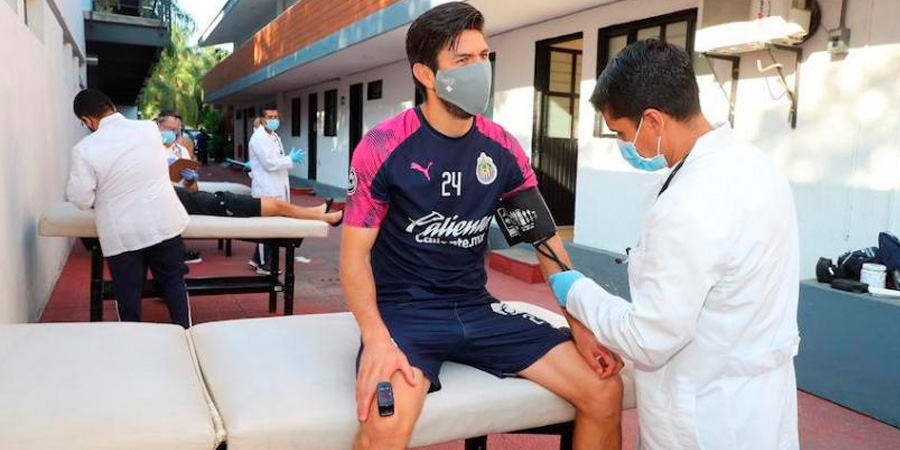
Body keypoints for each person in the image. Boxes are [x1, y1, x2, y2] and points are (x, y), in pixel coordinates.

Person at [342, 4, 622, 450]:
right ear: (426, 74)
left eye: (484, 57)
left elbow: (545, 245)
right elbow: (354, 255)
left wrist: (581, 328)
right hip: (405, 314)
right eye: (463, 60)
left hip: (476, 308)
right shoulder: (382, 145)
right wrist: (375, 338)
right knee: (384, 427)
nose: (480, 69)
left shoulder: (502, 148)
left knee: (603, 389)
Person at [548, 39, 800, 450]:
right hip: (756, 405)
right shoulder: (756, 166)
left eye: (621, 133)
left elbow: (649, 339)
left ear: (652, 120)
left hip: (703, 419)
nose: (625, 146)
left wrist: (577, 292)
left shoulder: (690, 203)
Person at [67, 89, 192, 328]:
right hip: (164, 222)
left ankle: (133, 343)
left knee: (128, 296)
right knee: (174, 284)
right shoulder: (149, 129)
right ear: (112, 107)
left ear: (87, 120)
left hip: (124, 233)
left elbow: (81, 199)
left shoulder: (84, 149)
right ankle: (186, 334)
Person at [247, 106, 305, 275]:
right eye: (270, 117)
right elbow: (269, 163)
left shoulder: (274, 136)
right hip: (266, 189)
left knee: (273, 225)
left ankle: (257, 259)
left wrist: (289, 159)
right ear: (262, 119)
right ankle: (264, 264)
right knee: (267, 227)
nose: (274, 120)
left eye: (276, 117)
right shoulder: (259, 138)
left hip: (277, 186)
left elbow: (277, 160)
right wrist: (289, 159)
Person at [157, 111, 203, 265]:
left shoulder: (181, 151)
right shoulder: (149, 149)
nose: (172, 133)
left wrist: (190, 178)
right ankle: (175, 254)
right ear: (158, 125)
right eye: (168, 129)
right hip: (158, 196)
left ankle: (176, 253)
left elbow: (192, 187)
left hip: (180, 197)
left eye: (175, 130)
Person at [172, 186, 342, 225]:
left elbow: (193, 189)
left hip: (222, 200)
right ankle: (324, 218)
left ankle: (316, 212)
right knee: (278, 206)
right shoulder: (162, 195)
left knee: (276, 204)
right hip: (224, 206)